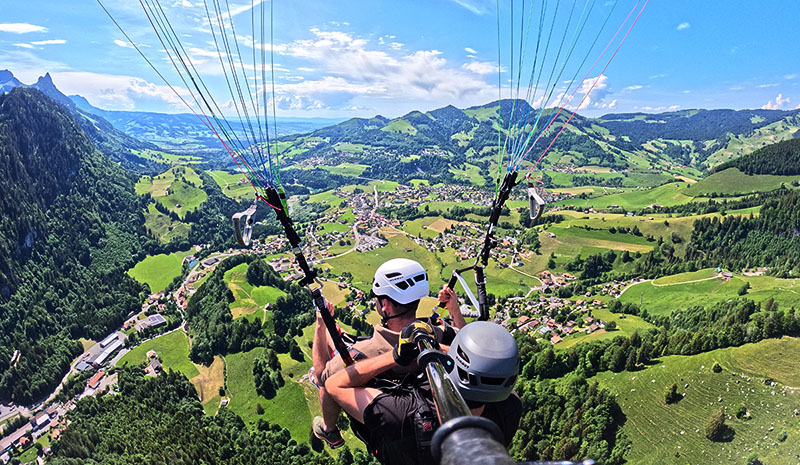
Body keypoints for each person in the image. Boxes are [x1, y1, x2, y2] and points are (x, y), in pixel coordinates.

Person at [311, 258, 464, 448]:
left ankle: (328, 429)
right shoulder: (439, 335)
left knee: (327, 340)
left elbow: (321, 378)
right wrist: (454, 310)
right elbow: (463, 345)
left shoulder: (363, 355)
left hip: (380, 420)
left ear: (386, 306)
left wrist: (320, 324)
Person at [325, 320, 521, 465]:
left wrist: (396, 356)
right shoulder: (511, 406)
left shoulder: (401, 412)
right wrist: (445, 351)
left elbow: (334, 385)